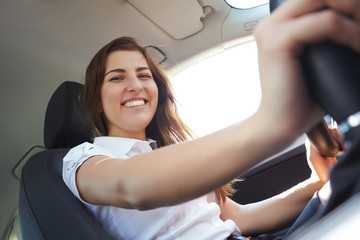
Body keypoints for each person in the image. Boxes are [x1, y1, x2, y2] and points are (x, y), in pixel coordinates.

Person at [62, 0, 360, 239]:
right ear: (97, 101)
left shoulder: (164, 155)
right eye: (117, 78)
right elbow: (130, 185)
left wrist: (318, 182)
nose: (136, 86)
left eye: (143, 75)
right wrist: (272, 122)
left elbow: (240, 218)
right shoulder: (83, 160)